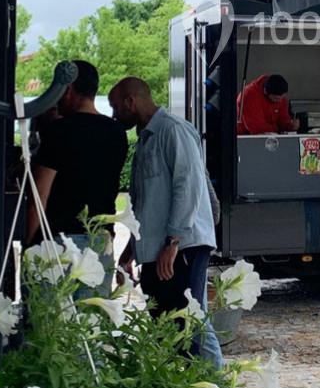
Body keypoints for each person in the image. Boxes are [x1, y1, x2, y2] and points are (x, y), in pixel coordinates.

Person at [110, 76, 223, 367]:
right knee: (168, 321)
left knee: (187, 321)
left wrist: (173, 241)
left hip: (181, 245)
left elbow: (188, 187)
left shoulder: (174, 131)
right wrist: (133, 248)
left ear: (130, 102)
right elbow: (145, 201)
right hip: (161, 246)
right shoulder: (147, 139)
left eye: (115, 107)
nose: (113, 115)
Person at [25, 60, 128, 246]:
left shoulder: (58, 131)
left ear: (68, 89)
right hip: (100, 237)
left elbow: (39, 195)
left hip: (59, 239)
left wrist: (30, 242)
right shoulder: (117, 133)